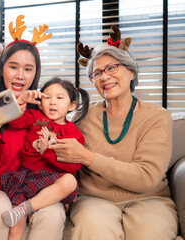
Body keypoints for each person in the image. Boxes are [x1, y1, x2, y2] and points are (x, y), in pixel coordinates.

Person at [48, 26, 179, 239]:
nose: (104, 77)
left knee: (150, 234)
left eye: (111, 68)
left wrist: (88, 158)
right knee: (93, 230)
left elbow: (146, 178)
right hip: (94, 200)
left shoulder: (156, 117)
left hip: (148, 199)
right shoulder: (83, 116)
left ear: (131, 71)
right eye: (97, 73)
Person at [0, 15, 67, 240]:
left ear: (36, 73)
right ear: (2, 69)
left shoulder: (44, 112)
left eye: (28, 69)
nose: (19, 76)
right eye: (13, 67)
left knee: (53, 215)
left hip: (33, 188)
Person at [0, 78, 89, 239]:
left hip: (52, 182)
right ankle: (21, 212)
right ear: (40, 103)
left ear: (72, 106)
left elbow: (73, 167)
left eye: (59, 98)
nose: (53, 102)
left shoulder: (73, 133)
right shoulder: (35, 117)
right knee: (15, 229)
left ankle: (25, 208)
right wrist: (21, 100)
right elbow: (14, 121)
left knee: (70, 181)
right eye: (47, 97)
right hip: (27, 177)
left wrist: (46, 150)